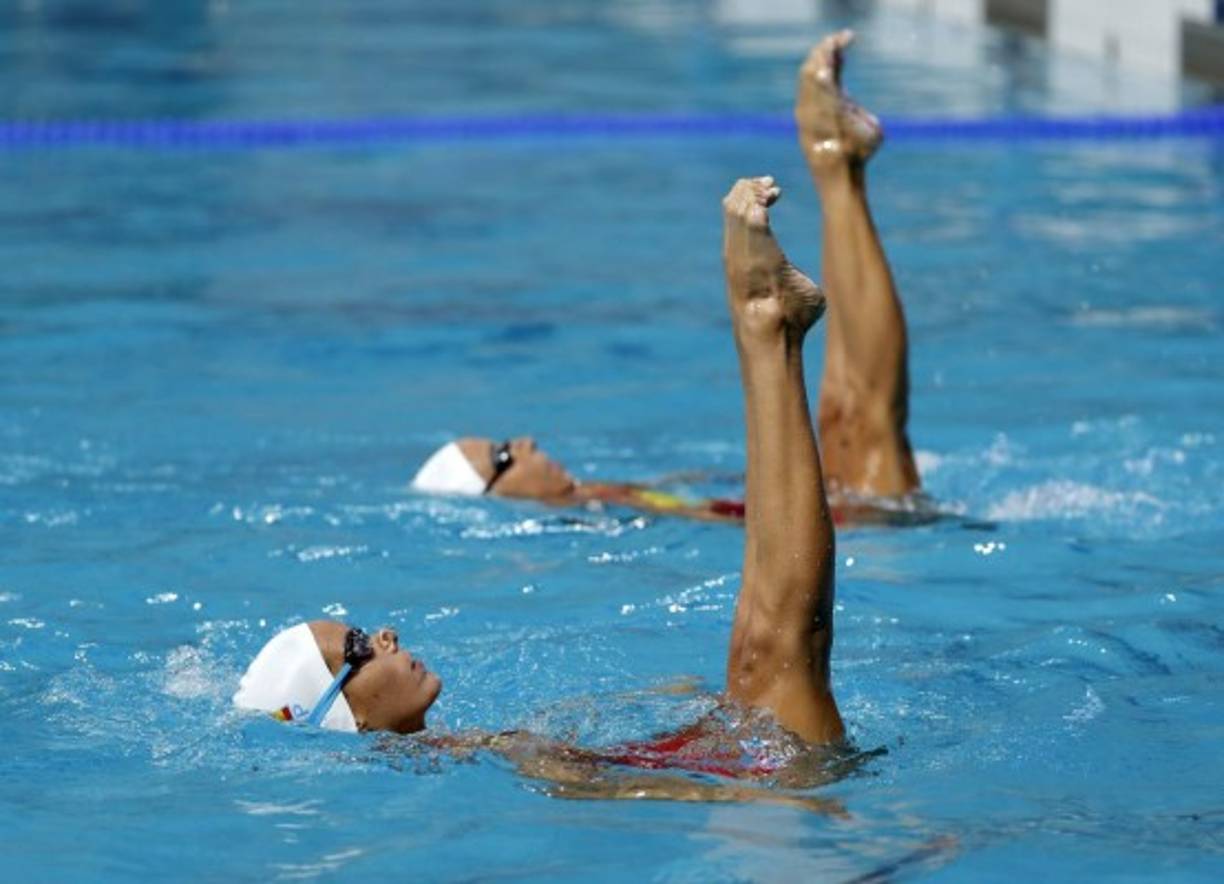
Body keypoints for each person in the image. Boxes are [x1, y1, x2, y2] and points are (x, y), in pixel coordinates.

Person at [234, 34, 884, 804]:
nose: (384, 637)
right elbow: (593, 791)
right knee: (778, 643)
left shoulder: (445, 757)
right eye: (355, 647)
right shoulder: (434, 766)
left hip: (741, 774)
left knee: (761, 651)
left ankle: (769, 322)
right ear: (334, 710)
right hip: (763, 795)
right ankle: (767, 324)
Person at [411, 30, 919, 525]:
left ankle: (837, 164)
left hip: (832, 517)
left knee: (844, 416)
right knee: (859, 418)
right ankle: (835, 163)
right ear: (494, 503)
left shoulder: (598, 501)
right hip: (868, 529)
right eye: (503, 456)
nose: (523, 443)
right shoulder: (590, 521)